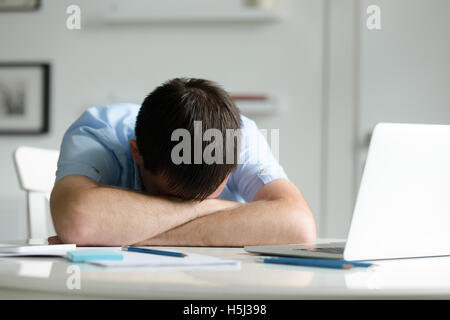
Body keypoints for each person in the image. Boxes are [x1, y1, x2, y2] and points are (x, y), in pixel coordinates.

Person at [49, 78, 316, 246]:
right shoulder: (98, 132)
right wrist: (220, 212)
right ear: (137, 152)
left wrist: (135, 237)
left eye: (207, 199)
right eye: (173, 198)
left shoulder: (239, 137)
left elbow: (299, 226)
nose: (193, 205)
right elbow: (78, 220)